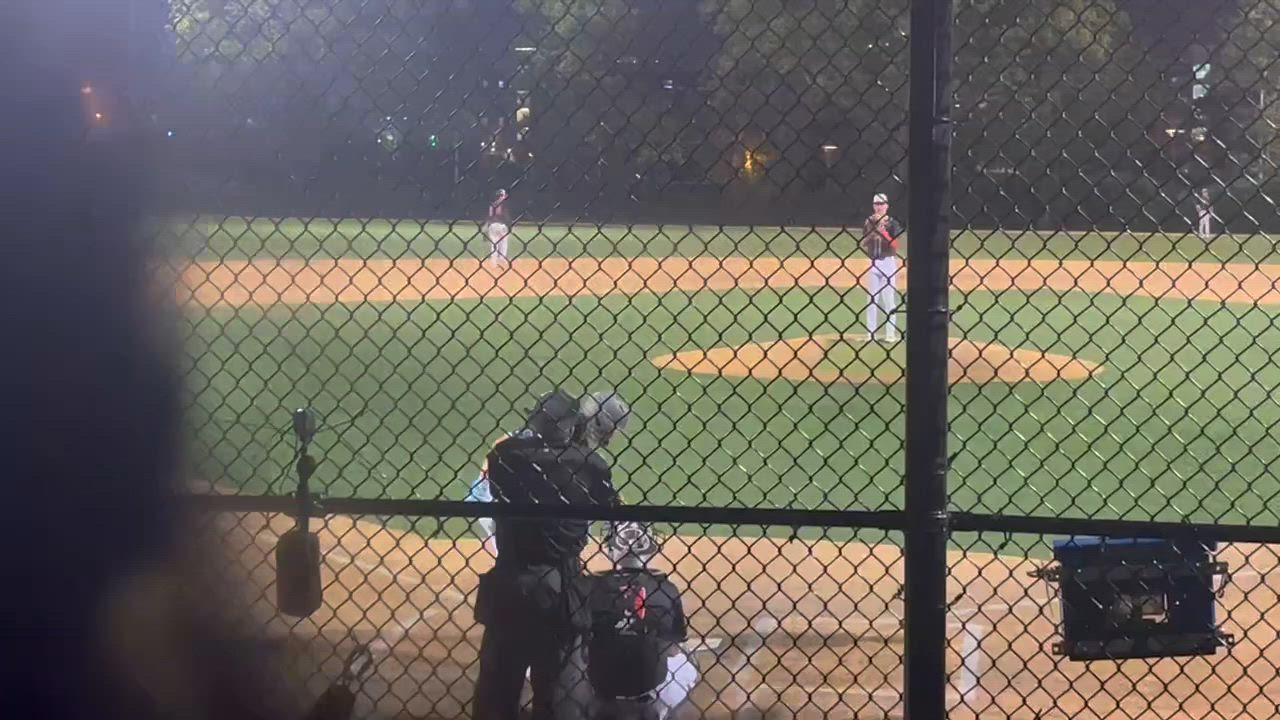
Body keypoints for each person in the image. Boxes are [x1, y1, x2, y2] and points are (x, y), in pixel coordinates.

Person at [472, 390, 623, 720]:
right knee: (557, 691)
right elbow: (609, 508)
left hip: (510, 582)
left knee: (496, 689)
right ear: (572, 425)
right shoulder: (591, 465)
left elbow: (501, 482)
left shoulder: (505, 457)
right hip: (561, 588)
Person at [586, 522, 696, 720]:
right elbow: (673, 649)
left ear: (612, 546)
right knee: (687, 660)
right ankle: (660, 713)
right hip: (648, 687)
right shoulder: (666, 588)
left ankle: (588, 708)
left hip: (599, 687)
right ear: (650, 546)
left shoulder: (589, 586)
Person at [861, 192, 906, 343]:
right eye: (876, 204)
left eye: (881, 204)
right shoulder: (869, 222)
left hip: (888, 263)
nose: (879, 207)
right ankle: (870, 334)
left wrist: (884, 233)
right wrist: (872, 233)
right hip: (874, 262)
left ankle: (890, 334)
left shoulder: (892, 223)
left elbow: (896, 245)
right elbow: (863, 242)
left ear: (887, 206)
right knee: (871, 300)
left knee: (889, 300)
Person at [487, 188, 512, 267]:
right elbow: (505, 216)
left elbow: (490, 216)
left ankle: (493, 261)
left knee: (494, 243)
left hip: (492, 225)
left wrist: (488, 226)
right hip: (501, 225)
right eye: (504, 195)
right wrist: (509, 224)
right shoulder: (503, 204)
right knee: (504, 242)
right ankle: (502, 259)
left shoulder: (492, 204)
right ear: (502, 196)